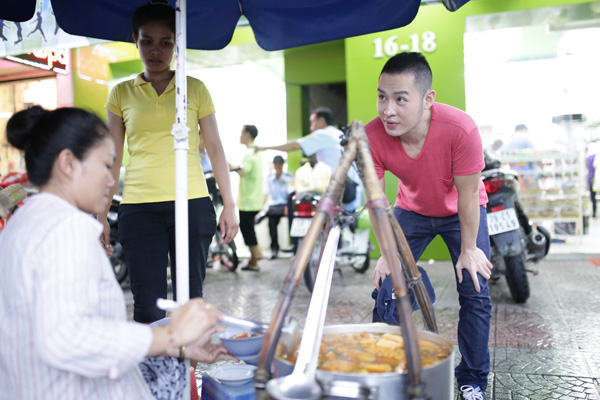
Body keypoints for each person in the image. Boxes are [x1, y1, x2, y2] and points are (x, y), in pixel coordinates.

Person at [0, 106, 233, 400]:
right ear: (69, 163)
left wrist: (176, 348)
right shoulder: (63, 227)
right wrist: (170, 335)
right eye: (106, 166)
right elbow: (66, 337)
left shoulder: (26, 220)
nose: (111, 181)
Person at [100, 1, 238, 323]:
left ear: (177, 44)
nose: (156, 50)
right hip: (139, 206)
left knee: (189, 304)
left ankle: (186, 373)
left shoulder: (194, 88)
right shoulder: (120, 94)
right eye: (147, 40)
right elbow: (113, 156)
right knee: (148, 308)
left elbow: (215, 149)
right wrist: (101, 212)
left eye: (166, 42)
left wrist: (229, 204)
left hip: (191, 203)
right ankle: (155, 374)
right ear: (135, 39)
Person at [365, 52, 492, 400]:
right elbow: (377, 204)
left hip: (460, 211)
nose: (388, 109)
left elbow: (468, 197)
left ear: (428, 99)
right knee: (387, 285)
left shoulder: (460, 128)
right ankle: (391, 367)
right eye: (382, 96)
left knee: (475, 287)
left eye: (400, 99)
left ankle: (473, 378)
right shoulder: (372, 136)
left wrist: (469, 250)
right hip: (413, 209)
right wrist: (387, 255)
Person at [256, 107, 363, 212]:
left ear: (321, 121)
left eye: (312, 122)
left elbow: (295, 145)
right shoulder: (339, 133)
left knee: (294, 198)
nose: (311, 128)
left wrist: (265, 148)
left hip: (342, 188)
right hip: (354, 190)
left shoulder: (323, 134)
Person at [229, 125, 263, 271]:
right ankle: (255, 256)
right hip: (254, 198)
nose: (240, 136)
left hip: (248, 200)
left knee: (247, 230)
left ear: (248, 135)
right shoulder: (256, 151)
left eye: (241, 133)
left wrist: (224, 163)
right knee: (249, 229)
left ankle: (255, 259)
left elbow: (242, 171)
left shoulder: (250, 153)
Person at [261, 155, 293, 260]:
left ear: (283, 165)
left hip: (286, 204)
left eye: (280, 164)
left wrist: (288, 207)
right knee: (271, 221)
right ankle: (274, 248)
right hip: (275, 206)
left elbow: (290, 195)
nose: (278, 166)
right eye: (276, 164)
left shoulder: (288, 178)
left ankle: (294, 246)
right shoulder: (269, 179)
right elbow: (265, 195)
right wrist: (262, 208)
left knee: (293, 220)